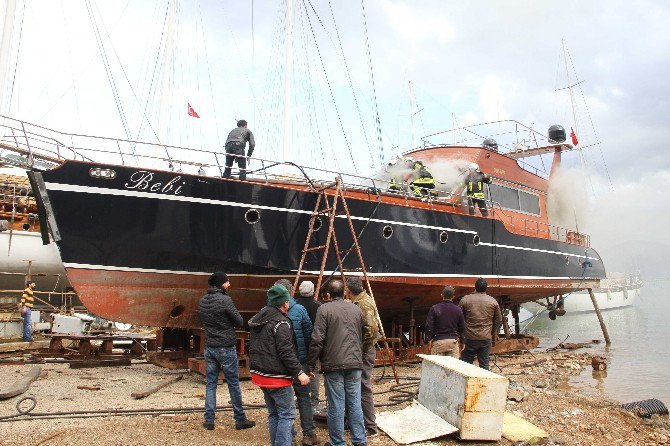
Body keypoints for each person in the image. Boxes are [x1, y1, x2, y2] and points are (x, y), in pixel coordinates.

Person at [307, 279, 368, 446]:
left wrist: (310, 363)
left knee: (336, 404)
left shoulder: (324, 309)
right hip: (354, 363)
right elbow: (363, 333)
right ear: (344, 293)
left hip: (333, 363)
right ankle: (359, 440)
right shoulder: (356, 309)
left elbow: (317, 338)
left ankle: (338, 442)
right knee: (355, 402)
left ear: (327, 295)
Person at [249, 285, 311, 446]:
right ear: (285, 303)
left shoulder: (260, 319)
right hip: (276, 376)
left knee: (274, 414)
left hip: (260, 373)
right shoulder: (281, 323)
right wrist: (299, 372)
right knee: (287, 414)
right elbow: (286, 352)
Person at [198, 272, 255, 431]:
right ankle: (240, 419)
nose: (229, 284)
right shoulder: (225, 300)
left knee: (211, 384)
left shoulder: (202, 301)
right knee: (233, 384)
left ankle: (209, 420)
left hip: (210, 347)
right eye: (227, 281)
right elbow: (238, 321)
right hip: (225, 347)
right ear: (221, 283)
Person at [274, 279, 318, 446]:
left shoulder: (268, 311)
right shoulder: (299, 310)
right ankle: (308, 434)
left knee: (283, 400)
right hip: (299, 362)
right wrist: (309, 361)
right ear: (291, 291)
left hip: (279, 364)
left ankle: (288, 435)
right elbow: (309, 337)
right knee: (303, 397)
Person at [345, 277, 380, 438]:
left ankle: (371, 426)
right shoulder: (360, 302)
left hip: (364, 351)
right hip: (361, 350)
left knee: (363, 386)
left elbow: (371, 331)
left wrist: (362, 350)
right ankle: (351, 420)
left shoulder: (364, 304)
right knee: (354, 385)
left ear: (349, 290)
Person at [458, 278, 502, 371]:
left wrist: (461, 335)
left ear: (475, 287)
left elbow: (459, 318)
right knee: (484, 365)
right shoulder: (493, 301)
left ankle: (466, 384)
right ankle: (484, 384)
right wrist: (492, 332)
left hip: (469, 337)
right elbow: (498, 320)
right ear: (486, 288)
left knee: (466, 365)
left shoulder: (465, 300)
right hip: (485, 338)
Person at [295, 281, 322, 410]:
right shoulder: (318, 306)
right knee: (313, 371)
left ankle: (300, 398)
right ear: (312, 291)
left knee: (299, 371)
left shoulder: (294, 305)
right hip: (314, 345)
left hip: (298, 344)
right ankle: (314, 399)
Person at [424, 286, 465, 358]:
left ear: (441, 295)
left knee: (437, 368)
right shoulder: (458, 310)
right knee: (452, 368)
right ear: (453, 297)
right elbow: (462, 327)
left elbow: (429, 325)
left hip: (438, 342)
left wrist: (428, 340)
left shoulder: (434, 308)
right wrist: (463, 341)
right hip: (453, 342)